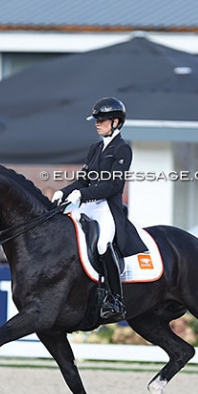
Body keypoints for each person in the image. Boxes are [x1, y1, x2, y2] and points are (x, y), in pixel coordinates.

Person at [52, 96, 148, 322]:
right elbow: (83, 181)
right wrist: (64, 192)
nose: (97, 123)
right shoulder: (95, 148)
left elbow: (114, 185)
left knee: (104, 244)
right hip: (87, 206)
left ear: (115, 122)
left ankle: (115, 299)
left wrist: (82, 194)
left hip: (107, 208)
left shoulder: (123, 149)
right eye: (96, 120)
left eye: (102, 120)